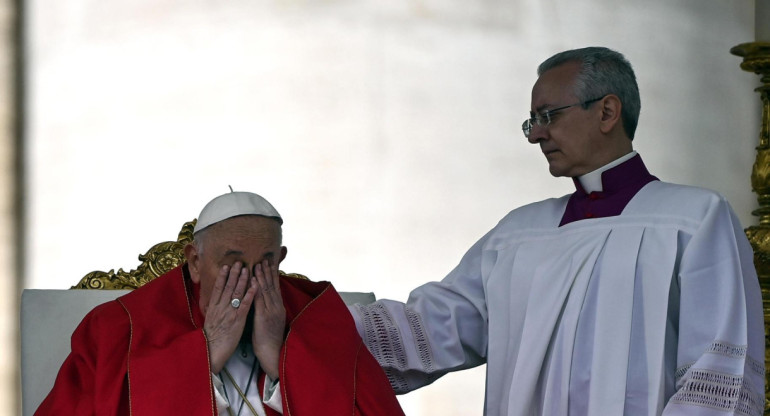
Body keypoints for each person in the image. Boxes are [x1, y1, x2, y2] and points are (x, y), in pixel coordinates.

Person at [348, 47, 765, 415]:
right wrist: (305, 320)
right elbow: (435, 326)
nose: (537, 135)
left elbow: (716, 376)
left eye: (548, 116)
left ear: (606, 112)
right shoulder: (517, 234)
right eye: (531, 122)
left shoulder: (694, 219)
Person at [37, 191, 404, 416]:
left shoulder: (318, 320)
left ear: (281, 258)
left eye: (265, 264)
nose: (248, 283)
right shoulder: (119, 328)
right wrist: (203, 356)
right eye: (231, 265)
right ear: (195, 261)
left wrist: (282, 364)